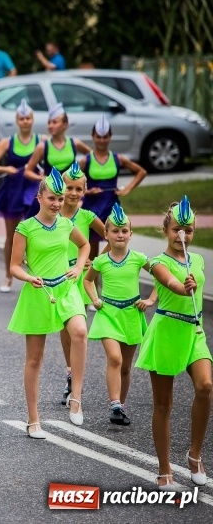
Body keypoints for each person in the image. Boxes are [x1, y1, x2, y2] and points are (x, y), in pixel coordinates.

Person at [134, 197, 211, 491]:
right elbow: (170, 283)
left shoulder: (198, 260)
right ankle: (164, 468)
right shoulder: (157, 263)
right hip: (167, 332)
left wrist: (191, 284)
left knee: (206, 386)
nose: (183, 236)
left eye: (188, 230)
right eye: (177, 229)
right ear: (166, 230)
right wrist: (183, 286)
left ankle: (195, 455)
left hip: (194, 331)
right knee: (164, 404)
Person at [8, 168, 90, 439]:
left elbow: (85, 246)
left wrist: (78, 267)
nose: (57, 203)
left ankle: (76, 397)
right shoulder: (25, 228)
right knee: (34, 358)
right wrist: (28, 277)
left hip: (65, 289)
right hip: (39, 292)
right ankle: (33, 420)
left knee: (80, 332)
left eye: (60, 199)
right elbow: (14, 266)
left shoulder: (66, 224)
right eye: (52, 198)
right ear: (39, 198)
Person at [83, 204, 155, 425]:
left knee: (125, 366)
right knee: (115, 358)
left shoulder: (139, 258)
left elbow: (161, 278)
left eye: (124, 231)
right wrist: (94, 298)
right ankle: (114, 404)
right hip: (108, 313)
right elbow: (87, 280)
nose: (120, 234)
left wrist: (150, 300)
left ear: (131, 234)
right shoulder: (101, 261)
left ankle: (120, 408)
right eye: (115, 231)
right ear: (106, 234)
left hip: (132, 314)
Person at [57, 164, 106, 405]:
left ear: (85, 191)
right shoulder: (53, 214)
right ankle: (70, 372)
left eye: (78, 189)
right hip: (58, 278)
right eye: (69, 188)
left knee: (78, 329)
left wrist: (96, 263)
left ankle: (74, 380)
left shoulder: (87, 216)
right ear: (61, 189)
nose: (73, 193)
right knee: (63, 328)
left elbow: (113, 236)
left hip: (80, 280)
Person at [0, 99, 42, 293]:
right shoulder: (7, 142)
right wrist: (6, 168)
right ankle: (8, 276)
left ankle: (35, 275)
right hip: (13, 191)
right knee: (12, 235)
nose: (25, 121)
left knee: (35, 234)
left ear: (32, 119)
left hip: (34, 191)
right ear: (17, 121)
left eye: (28, 118)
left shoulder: (41, 141)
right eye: (21, 118)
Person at [78, 115, 147, 261]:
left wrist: (127, 189)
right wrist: (87, 191)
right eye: (98, 137)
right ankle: (93, 274)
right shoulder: (86, 160)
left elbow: (141, 172)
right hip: (92, 208)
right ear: (93, 136)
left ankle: (105, 268)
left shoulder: (118, 158)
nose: (102, 140)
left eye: (105, 137)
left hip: (111, 206)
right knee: (91, 251)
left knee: (116, 244)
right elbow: (70, 181)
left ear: (110, 137)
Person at [23, 103, 91, 216]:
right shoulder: (43, 146)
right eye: (49, 122)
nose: (50, 126)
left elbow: (93, 158)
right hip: (49, 194)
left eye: (54, 122)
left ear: (65, 124)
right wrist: (41, 177)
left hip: (70, 195)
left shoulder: (75, 143)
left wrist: (81, 170)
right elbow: (27, 172)